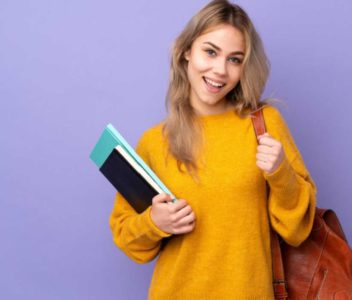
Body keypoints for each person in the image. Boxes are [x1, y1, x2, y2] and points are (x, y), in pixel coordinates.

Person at [109, 0, 316, 299]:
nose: (220, 70)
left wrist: (281, 174)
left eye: (235, 59)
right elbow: (130, 243)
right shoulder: (154, 142)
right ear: (186, 52)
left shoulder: (264, 124)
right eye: (210, 51)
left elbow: (297, 231)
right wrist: (154, 223)